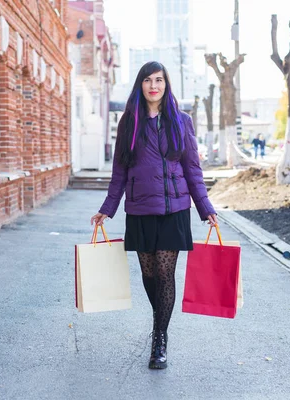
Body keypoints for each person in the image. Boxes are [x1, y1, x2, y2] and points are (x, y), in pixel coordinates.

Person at [90, 62, 218, 370]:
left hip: (174, 210)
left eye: (159, 80)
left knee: (165, 275)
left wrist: (206, 208)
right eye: (148, 80)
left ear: (166, 84)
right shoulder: (129, 123)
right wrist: (107, 208)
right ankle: (159, 319)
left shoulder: (181, 121)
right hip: (140, 209)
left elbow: (192, 169)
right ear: (141, 84)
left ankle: (159, 337)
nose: (153, 85)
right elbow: (119, 170)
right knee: (149, 276)